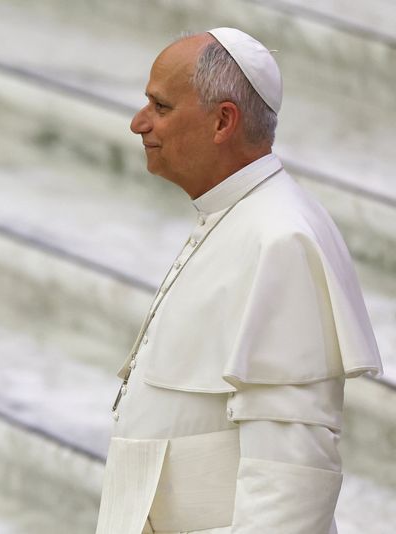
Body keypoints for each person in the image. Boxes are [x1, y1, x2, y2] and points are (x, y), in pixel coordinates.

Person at [94, 28, 383, 534]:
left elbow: (290, 482)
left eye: (161, 107)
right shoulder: (235, 217)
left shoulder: (282, 240)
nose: (139, 123)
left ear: (223, 121)